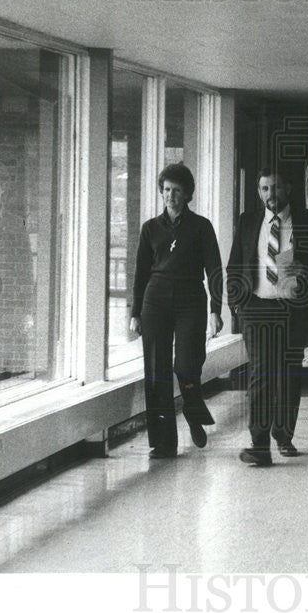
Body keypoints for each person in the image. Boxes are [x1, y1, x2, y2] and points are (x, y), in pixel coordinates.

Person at [227, 168, 308, 466]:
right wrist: (236, 304)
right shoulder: (248, 221)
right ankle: (258, 443)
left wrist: (307, 277)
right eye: (265, 188)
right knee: (260, 373)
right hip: (256, 306)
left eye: (277, 187)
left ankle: (284, 436)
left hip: (292, 308)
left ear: (288, 189)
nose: (271, 194)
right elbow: (235, 263)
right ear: (259, 192)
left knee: (287, 374)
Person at [130, 164, 223, 459]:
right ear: (161, 192)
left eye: (177, 190)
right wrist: (135, 312)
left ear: (187, 194)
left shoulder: (201, 227)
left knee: (186, 363)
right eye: (167, 190)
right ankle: (164, 442)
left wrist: (216, 310)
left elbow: (215, 270)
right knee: (157, 370)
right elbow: (140, 273)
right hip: (154, 301)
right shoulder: (150, 229)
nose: (171, 196)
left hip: (190, 300)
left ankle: (194, 413)